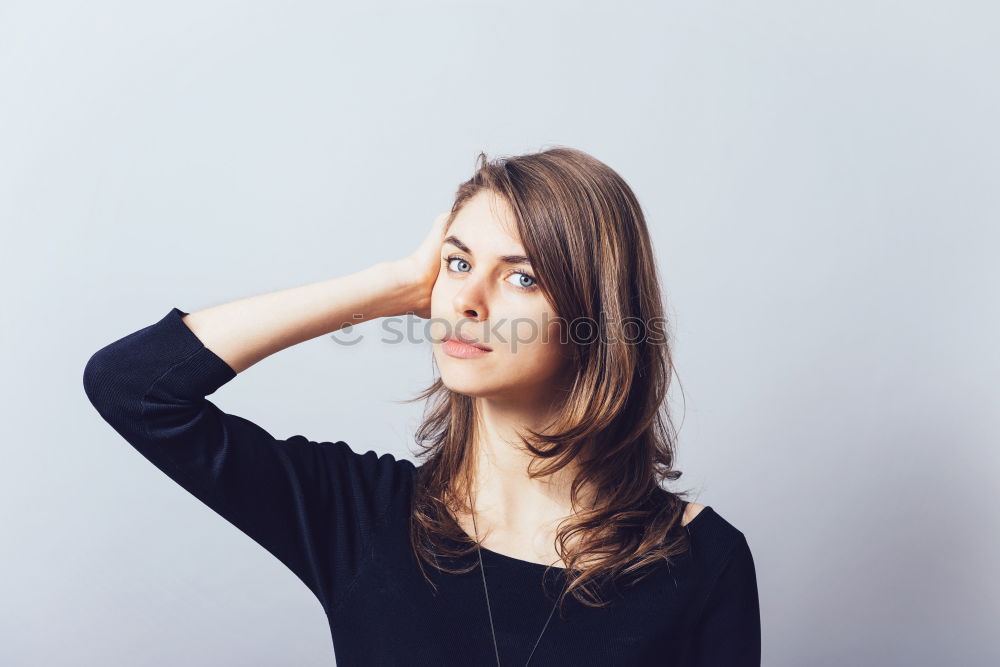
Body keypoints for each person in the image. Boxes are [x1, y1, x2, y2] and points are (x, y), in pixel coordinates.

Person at [83, 147, 761, 666]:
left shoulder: (703, 561)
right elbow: (133, 386)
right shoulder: (361, 516)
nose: (467, 300)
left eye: (521, 276)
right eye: (459, 264)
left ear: (596, 316)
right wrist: (394, 284)